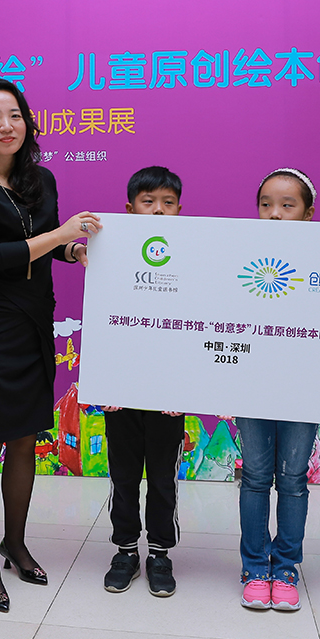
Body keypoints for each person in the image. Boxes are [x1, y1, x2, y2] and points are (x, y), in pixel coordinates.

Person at [0, 78, 100, 612]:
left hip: (35, 320)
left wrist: (71, 252)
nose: (6, 125)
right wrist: (59, 236)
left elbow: (45, 242)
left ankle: (15, 543)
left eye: (14, 115)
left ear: (28, 123)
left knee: (25, 439)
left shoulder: (43, 179)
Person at [236, 168, 319, 613]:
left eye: (287, 205)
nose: (274, 214)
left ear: (308, 214)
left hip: (304, 386)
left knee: (292, 479)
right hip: (252, 383)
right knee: (254, 476)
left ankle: (285, 567)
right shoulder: (240, 257)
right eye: (266, 204)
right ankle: (254, 567)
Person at [102, 166, 186, 598]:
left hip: (169, 393)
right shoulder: (110, 254)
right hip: (121, 392)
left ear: (179, 209)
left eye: (167, 203)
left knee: (162, 479)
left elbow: (199, 324)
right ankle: (124, 550)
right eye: (148, 202)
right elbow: (103, 320)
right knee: (124, 476)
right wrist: (106, 382)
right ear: (130, 208)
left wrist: (183, 387)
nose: (157, 211)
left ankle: (159, 552)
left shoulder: (193, 257)